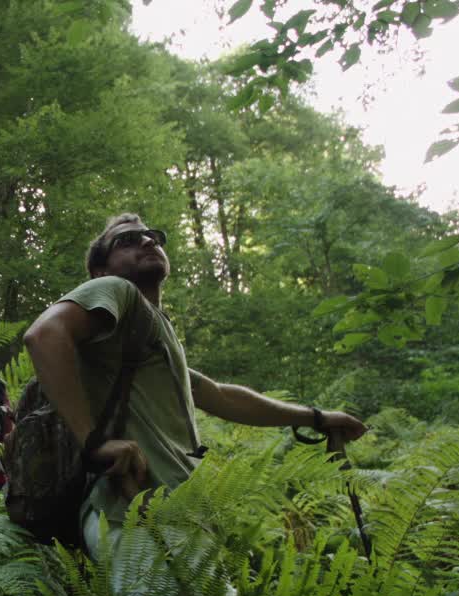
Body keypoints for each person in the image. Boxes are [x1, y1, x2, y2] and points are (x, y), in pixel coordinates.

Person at [22, 212, 367, 557]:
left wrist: (315, 417)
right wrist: (94, 442)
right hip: (132, 514)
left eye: (153, 236)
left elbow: (218, 395)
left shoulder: (148, 330)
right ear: (101, 271)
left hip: (176, 517)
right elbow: (44, 334)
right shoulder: (116, 290)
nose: (147, 241)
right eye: (126, 240)